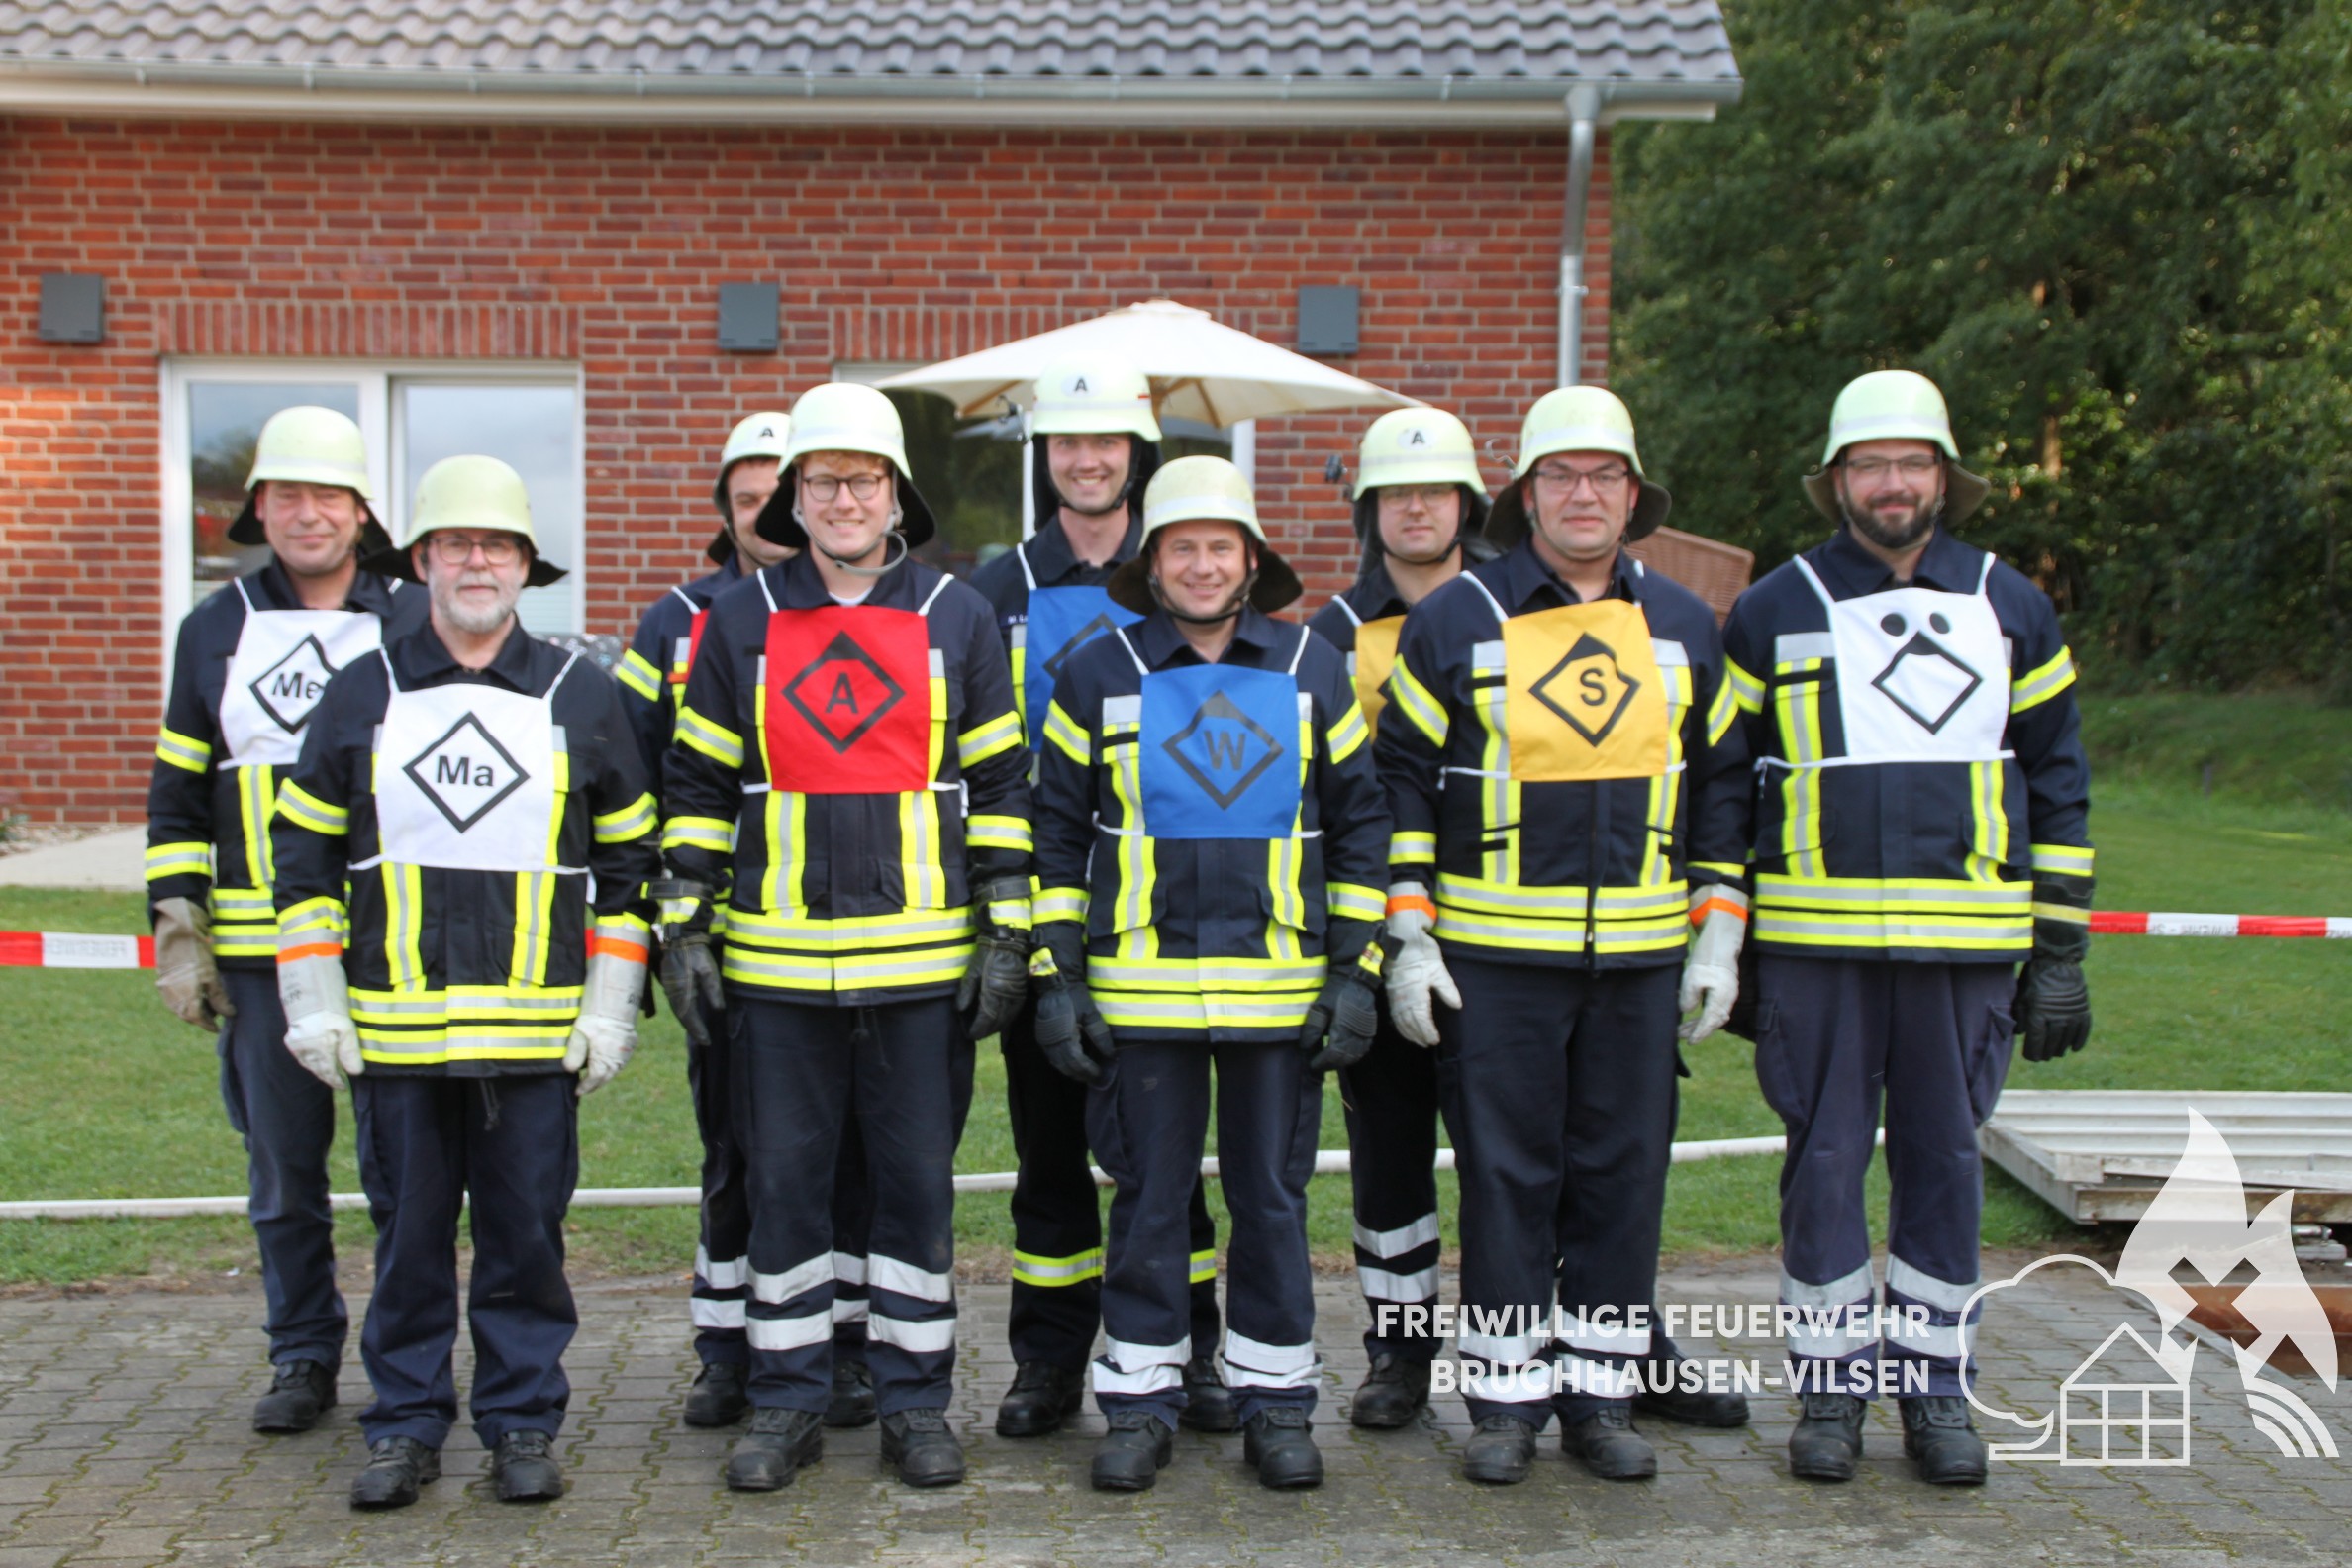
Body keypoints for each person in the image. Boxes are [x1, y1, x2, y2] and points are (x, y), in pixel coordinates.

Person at [1719, 370, 2093, 1487]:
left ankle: (1936, 1393)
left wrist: (2060, 949)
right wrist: (1727, 940)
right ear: (1838, 480)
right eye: (1871, 464)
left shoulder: (2012, 605)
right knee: (1823, 1169)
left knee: (1945, 1169)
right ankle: (1829, 1394)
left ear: (1944, 477)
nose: (1892, 482)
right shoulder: (1772, 608)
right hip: (1814, 950)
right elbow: (1725, 784)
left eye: (1912, 463)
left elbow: (2059, 780)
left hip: (1965, 952)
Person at [659, 382, 1031, 1492]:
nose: (844, 501)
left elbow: (999, 783)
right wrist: (686, 925)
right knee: (785, 1189)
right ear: (797, 497)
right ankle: (788, 1402)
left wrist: (1006, 933)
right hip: (774, 969)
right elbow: (698, 782)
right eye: (822, 482)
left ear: (896, 495)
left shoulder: (958, 615)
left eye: (864, 481)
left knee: (915, 1190)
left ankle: (916, 1406)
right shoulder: (740, 619)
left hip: (921, 969)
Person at [1376, 387, 1749, 1485]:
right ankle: (1504, 1404)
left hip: (1639, 964)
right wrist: (1409, 931)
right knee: (1506, 1180)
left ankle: (1600, 1397)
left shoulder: (1686, 624)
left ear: (1633, 497)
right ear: (1526, 496)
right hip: (1494, 965)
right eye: (1560, 476)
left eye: (1604, 476)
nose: (1583, 495)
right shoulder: (1456, 618)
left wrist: (1720, 931)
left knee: (1622, 1183)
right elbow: (1401, 781)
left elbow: (1724, 785)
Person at [270, 455, 657, 1509]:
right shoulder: (363, 692)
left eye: (496, 546)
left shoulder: (582, 693)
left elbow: (630, 866)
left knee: (526, 1245)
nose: (476, 562)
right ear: (422, 562)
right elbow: (301, 860)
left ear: (526, 565)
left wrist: (611, 1007)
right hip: (396, 1039)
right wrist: (312, 1001)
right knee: (407, 1247)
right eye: (455, 544)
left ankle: (522, 1424)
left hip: (533, 1043)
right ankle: (403, 1427)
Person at [1029, 456, 1390, 1492]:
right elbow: (1058, 833)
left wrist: (1355, 973)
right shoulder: (1096, 672)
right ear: (1152, 563)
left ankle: (1277, 1405)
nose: (1200, 565)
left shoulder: (1315, 667)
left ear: (1251, 559)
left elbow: (1362, 824)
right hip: (1139, 996)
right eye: (1181, 548)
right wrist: (1060, 976)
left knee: (1271, 1206)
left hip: (1281, 995)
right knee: (1148, 1206)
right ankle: (1140, 1405)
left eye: (1218, 547)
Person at [966, 360, 1234, 1440]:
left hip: (1163, 910)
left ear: (1137, 455)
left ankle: (1192, 1348)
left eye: (1107, 442)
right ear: (1047, 456)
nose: (1087, 460)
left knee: (1167, 1156)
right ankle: (1047, 1361)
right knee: (1047, 1150)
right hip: (1039, 898)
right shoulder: (992, 593)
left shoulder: (1185, 577)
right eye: (1069, 442)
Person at [145, 405, 421, 1435]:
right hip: (263, 954)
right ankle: (302, 1355)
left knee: (403, 1176)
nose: (309, 514)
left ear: (362, 512)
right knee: (283, 1175)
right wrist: (183, 932)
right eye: (288, 495)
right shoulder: (213, 628)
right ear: (258, 509)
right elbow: (179, 795)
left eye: (328, 496)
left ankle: (406, 1360)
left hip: (389, 947)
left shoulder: (412, 619)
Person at [614, 411, 877, 1433]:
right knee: (734, 1151)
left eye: (785, 486)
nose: (773, 506)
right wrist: (671, 918)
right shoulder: (680, 621)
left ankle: (843, 1342)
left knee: (843, 1152)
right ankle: (727, 1346)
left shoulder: (874, 611)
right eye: (751, 493)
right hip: (720, 937)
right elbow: (639, 772)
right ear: (734, 510)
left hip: (828, 934)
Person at [1302, 406, 1489, 1429]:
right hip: (1378, 931)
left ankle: (1576, 1336)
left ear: (1468, 504)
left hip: (1505, 930)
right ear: (1370, 510)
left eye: (1435, 490)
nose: (1417, 508)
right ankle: (1399, 1351)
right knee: (1389, 1152)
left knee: (1521, 1154)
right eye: (1396, 493)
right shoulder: (1328, 636)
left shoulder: (1516, 611)